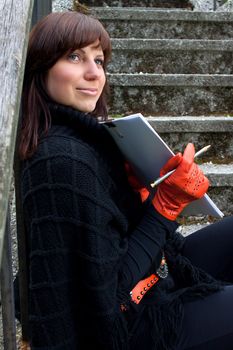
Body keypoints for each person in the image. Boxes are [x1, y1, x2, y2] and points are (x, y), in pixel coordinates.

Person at [17, 9, 233, 350]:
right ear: (41, 67)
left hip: (161, 272)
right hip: (134, 322)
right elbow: (111, 290)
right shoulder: (63, 161)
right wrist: (166, 205)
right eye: (74, 56)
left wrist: (142, 190)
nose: (93, 73)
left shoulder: (88, 139)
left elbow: (115, 234)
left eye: (99, 60)